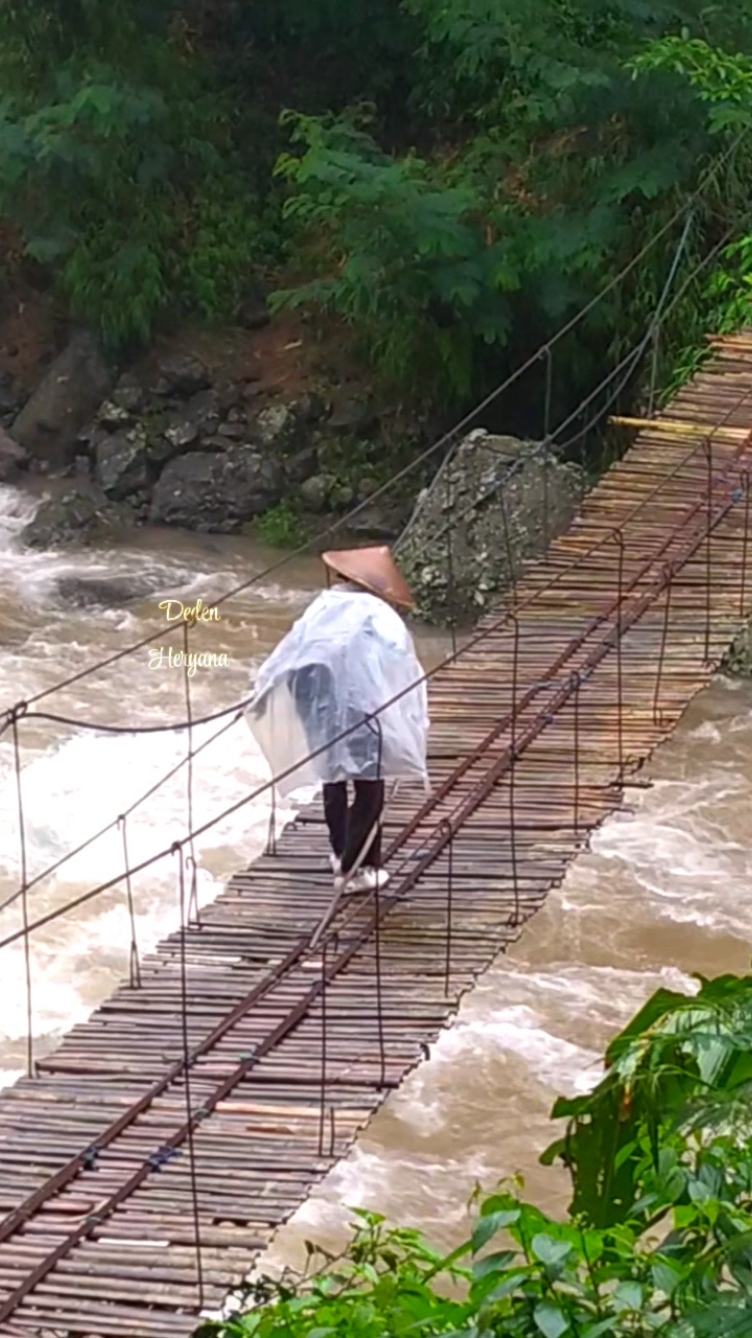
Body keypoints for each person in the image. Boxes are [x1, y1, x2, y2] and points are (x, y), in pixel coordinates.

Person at [246, 546, 429, 894]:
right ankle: (358, 869)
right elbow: (399, 661)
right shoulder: (378, 613)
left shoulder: (322, 606)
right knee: (369, 783)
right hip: (361, 707)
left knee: (334, 776)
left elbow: (291, 652)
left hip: (317, 703)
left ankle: (339, 852)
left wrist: (263, 692)